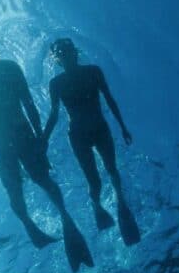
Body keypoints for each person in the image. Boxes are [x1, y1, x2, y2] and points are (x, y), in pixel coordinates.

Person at [0, 32, 93, 272]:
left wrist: (40, 137)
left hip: (20, 135)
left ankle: (65, 221)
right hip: (5, 137)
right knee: (16, 187)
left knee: (41, 180)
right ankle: (34, 227)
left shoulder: (6, 68)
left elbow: (28, 102)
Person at [43, 38, 140, 245]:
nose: (66, 56)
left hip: (99, 128)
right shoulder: (56, 84)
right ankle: (97, 206)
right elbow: (53, 114)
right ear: (58, 60)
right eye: (61, 54)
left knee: (112, 168)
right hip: (78, 135)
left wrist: (123, 126)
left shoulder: (93, 71)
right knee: (93, 179)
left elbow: (109, 99)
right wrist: (44, 140)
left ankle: (121, 202)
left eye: (68, 51)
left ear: (75, 53)